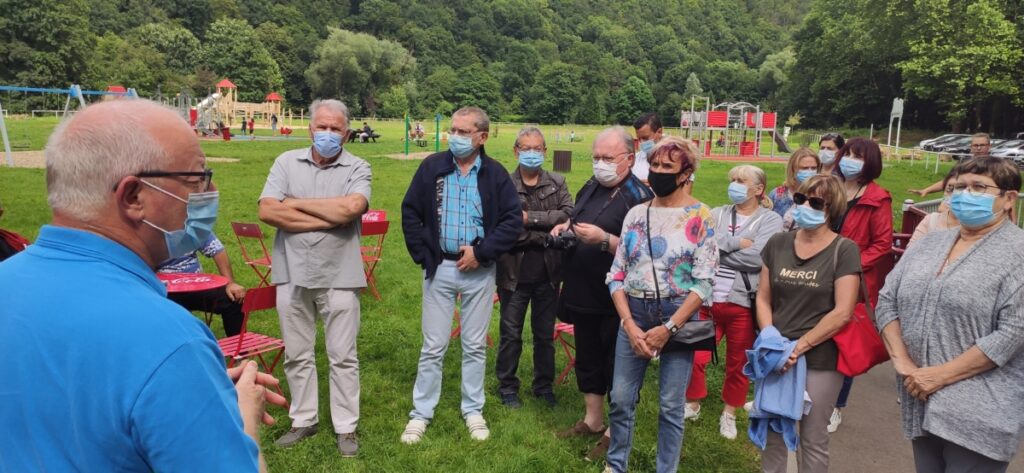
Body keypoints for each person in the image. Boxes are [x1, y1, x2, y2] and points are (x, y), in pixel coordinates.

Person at [0, 99, 282, 471]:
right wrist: (243, 412)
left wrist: (186, 389)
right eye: (197, 178)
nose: (209, 192)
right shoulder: (171, 340)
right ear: (134, 197)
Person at [876, 156, 1023, 473]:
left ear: (1009, 198)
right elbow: (888, 298)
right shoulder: (931, 242)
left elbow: (1013, 332)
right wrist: (903, 363)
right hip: (920, 396)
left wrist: (939, 375)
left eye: (978, 187)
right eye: (957, 187)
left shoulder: (1018, 253)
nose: (964, 194)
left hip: (980, 411)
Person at [399, 106, 522, 444]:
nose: (455, 137)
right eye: (453, 130)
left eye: (464, 132)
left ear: (482, 137)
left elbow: (512, 221)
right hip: (440, 268)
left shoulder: (495, 175)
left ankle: (473, 409)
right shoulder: (432, 168)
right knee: (433, 345)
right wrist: (425, 254)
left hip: (479, 271)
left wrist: (481, 252)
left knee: (473, 345)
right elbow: (410, 211)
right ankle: (421, 413)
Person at [258, 99, 371, 457]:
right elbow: (266, 210)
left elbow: (352, 209)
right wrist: (329, 217)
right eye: (321, 126)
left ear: (347, 133)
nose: (327, 133)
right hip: (292, 271)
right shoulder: (286, 162)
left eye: (335, 128)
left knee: (343, 356)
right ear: (310, 129)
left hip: (340, 273)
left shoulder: (359, 166)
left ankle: (346, 427)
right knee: (297, 352)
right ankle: (303, 419)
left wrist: (293, 203)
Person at [604, 137, 718, 473]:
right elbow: (616, 274)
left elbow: (703, 282)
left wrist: (668, 329)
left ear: (686, 173)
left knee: (671, 404)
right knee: (621, 399)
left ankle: (665, 469)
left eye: (667, 167)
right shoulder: (636, 214)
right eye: (653, 165)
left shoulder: (701, 216)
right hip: (634, 313)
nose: (657, 173)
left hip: (678, 314)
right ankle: (616, 464)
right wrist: (628, 323)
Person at [552, 127, 654, 462]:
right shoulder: (592, 185)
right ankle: (593, 420)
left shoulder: (640, 197)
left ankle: (615, 431)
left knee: (617, 365)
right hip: (583, 289)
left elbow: (646, 253)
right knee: (589, 357)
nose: (600, 164)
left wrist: (605, 240)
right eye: (596, 157)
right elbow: (576, 216)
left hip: (619, 298)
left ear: (629, 157)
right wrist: (565, 228)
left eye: (607, 158)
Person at [756, 175, 862, 473]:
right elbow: (763, 298)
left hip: (819, 358)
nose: (805, 207)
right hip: (776, 355)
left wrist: (798, 348)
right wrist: (770, 337)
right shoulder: (778, 243)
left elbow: (843, 311)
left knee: (812, 438)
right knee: (773, 433)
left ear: (833, 209)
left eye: (816, 203)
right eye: (801, 199)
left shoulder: (844, 250)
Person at [684, 165, 782, 439]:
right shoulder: (717, 213)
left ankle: (729, 413)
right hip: (707, 299)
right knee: (695, 354)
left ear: (758, 189)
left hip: (742, 302)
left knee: (738, 362)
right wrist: (740, 243)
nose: (735, 185)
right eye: (733, 180)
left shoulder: (770, 220)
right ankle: (692, 403)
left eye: (741, 181)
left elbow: (758, 260)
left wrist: (719, 249)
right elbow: (700, 247)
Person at [496, 127, 573, 409]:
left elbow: (568, 215)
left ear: (545, 152)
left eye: (537, 148)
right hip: (513, 274)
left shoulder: (557, 182)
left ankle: (543, 386)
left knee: (545, 336)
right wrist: (546, 234)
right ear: (516, 151)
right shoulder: (503, 184)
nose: (532, 153)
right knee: (510, 334)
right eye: (526, 148)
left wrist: (529, 218)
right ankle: (507, 387)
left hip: (548, 274)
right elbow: (506, 229)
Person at [829, 137, 893, 432]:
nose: (849, 159)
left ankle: (836, 405)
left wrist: (848, 266)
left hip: (853, 279)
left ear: (870, 162)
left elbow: (881, 245)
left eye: (858, 156)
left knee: (845, 342)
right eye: (848, 153)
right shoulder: (830, 186)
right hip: (819, 273)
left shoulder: (878, 197)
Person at [157, 233, 246, 337]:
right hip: (162, 289)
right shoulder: (145, 229)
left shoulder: (192, 224)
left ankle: (239, 351)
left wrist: (231, 283)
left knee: (233, 299)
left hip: (196, 286)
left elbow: (217, 250)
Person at [908, 133, 992, 197]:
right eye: (976, 145)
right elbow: (949, 180)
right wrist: (926, 190)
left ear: (989, 146)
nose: (979, 148)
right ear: (971, 147)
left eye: (982, 145)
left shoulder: (996, 165)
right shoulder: (964, 163)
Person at [908, 165, 961, 245]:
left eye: (961, 189)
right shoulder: (930, 221)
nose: (954, 196)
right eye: (950, 189)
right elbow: (911, 252)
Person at [769, 148, 820, 230]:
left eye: (814, 168)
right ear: (792, 169)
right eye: (804, 168)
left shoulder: (822, 195)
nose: (810, 172)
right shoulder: (777, 194)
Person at [632, 112, 664, 183]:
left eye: (645, 138)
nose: (641, 142)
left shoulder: (677, 160)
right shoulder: (634, 160)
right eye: (639, 138)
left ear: (659, 132)